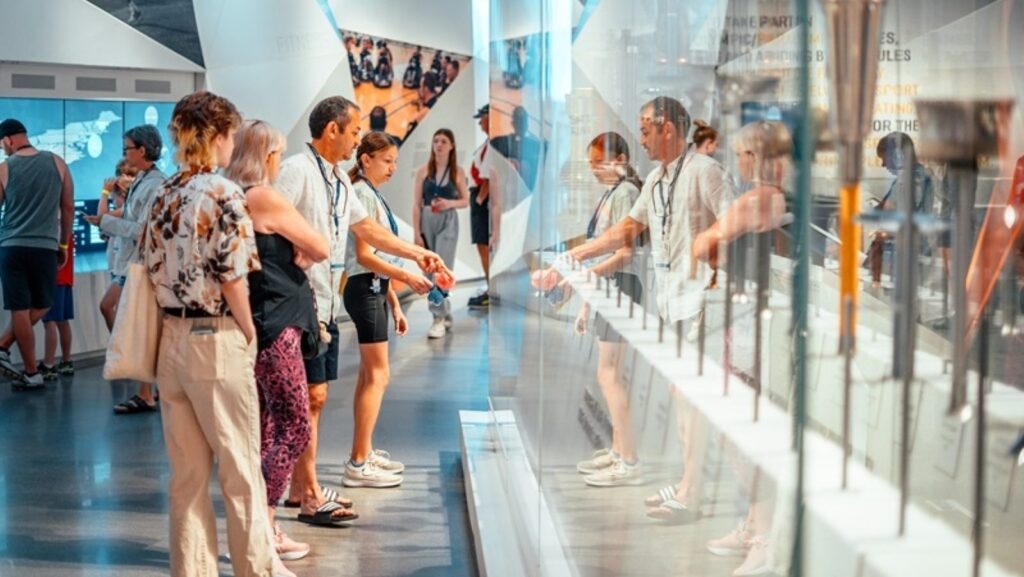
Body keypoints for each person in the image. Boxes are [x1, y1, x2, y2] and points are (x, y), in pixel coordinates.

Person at [275, 96, 442, 527]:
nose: (355, 140)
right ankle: (309, 492)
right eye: (352, 132)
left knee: (316, 396)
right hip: (299, 301)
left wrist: (418, 253)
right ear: (332, 130)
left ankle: (301, 487)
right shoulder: (296, 170)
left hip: (325, 303)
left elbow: (366, 230)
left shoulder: (338, 181)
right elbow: (269, 221)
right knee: (310, 396)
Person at [142, 91, 277, 577]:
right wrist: (248, 331)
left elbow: (148, 265)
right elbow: (232, 273)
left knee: (187, 477)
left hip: (170, 341)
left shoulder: (163, 192)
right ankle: (255, 570)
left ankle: (193, 570)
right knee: (241, 469)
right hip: (214, 339)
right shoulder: (224, 194)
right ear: (220, 135)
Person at [224, 118, 331, 565]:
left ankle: (261, 527)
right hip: (277, 324)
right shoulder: (264, 196)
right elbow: (320, 246)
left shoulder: (230, 198)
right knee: (293, 425)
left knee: (267, 428)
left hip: (257, 321)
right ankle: (263, 524)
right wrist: (298, 249)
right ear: (268, 156)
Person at [343, 131, 434, 488]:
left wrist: (394, 302)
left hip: (374, 289)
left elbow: (377, 257)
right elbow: (366, 256)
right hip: (365, 289)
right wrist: (407, 277)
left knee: (371, 377)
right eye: (387, 160)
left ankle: (362, 451)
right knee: (377, 377)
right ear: (366, 159)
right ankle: (358, 462)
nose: (393, 167)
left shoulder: (370, 193)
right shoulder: (362, 194)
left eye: (395, 161)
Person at [570, 132, 646, 487]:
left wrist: (587, 274)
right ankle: (619, 450)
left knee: (610, 374)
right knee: (611, 374)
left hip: (622, 286)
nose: (593, 171)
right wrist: (587, 300)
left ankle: (628, 458)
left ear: (617, 159)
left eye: (597, 163)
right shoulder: (616, 194)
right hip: (610, 287)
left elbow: (623, 253)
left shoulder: (626, 193)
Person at [88, 124, 167, 414]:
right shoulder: (144, 180)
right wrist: (104, 218)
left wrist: (105, 222)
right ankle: (146, 390)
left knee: (137, 327)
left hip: (140, 265)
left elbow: (142, 230)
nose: (125, 154)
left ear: (142, 150)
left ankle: (148, 391)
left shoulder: (156, 183)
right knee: (132, 324)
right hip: (131, 264)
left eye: (128, 149)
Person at [0, 118, 74, 390]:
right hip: (45, 247)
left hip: (11, 247)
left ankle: (29, 369)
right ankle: (15, 357)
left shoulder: (4, 169)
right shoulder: (58, 163)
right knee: (42, 304)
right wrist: (63, 244)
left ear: (8, 139)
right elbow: (67, 208)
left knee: (20, 308)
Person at [413, 128, 470, 338]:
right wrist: (417, 233)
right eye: (436, 140)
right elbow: (416, 205)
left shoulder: (457, 172)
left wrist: (448, 203)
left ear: (452, 145)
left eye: (444, 141)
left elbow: (465, 201)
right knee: (428, 271)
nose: (439, 145)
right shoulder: (422, 171)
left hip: (448, 219)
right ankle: (443, 313)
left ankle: (438, 318)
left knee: (442, 270)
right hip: (427, 219)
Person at [864, 132, 935, 287]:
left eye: (884, 159)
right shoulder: (914, 177)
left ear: (898, 155)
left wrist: (882, 233)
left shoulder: (910, 179)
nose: (883, 165)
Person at [97, 160, 138, 331]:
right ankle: (119, 349)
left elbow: (102, 218)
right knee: (114, 310)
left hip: (128, 268)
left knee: (110, 307)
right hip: (118, 262)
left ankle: (120, 350)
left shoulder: (132, 204)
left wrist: (105, 192)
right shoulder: (126, 203)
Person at [468, 104, 494, 309]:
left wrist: (479, 200)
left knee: (484, 246)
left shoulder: (492, 145)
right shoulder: (489, 143)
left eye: (482, 118)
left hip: (482, 200)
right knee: (482, 246)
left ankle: (491, 289)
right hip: (480, 198)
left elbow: (487, 178)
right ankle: (490, 286)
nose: (480, 123)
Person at [39, 241, 74, 379]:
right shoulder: (66, 231)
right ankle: (66, 362)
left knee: (49, 321)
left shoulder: (52, 229)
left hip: (53, 278)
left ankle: (48, 365)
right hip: (66, 278)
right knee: (62, 320)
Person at [491, 105, 542, 191]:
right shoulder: (499, 142)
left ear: (527, 125)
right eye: (518, 122)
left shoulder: (535, 145)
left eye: (522, 123)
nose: (520, 126)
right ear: (513, 123)